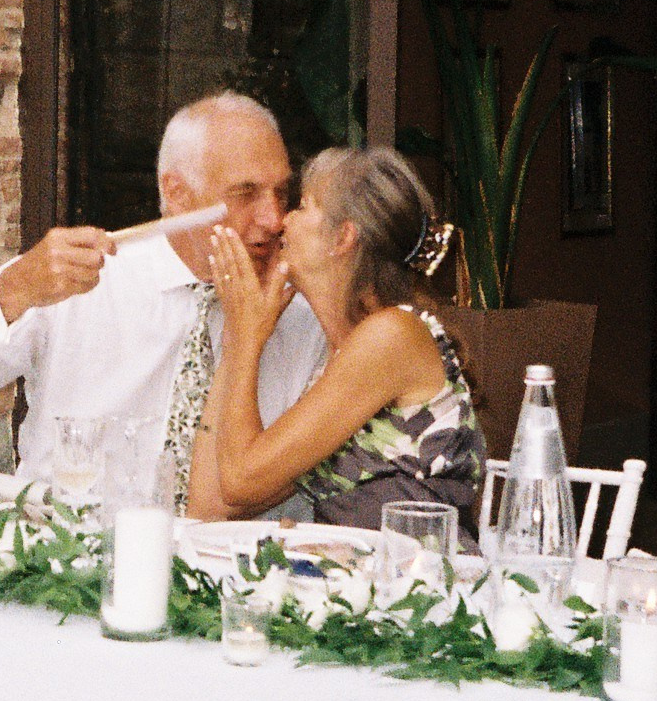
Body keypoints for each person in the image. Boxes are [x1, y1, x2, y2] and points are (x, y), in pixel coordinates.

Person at [0, 91, 326, 480]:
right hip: (69, 558)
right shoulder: (86, 281)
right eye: (244, 194)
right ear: (178, 193)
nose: (273, 219)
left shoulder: (304, 311)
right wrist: (14, 290)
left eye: (282, 194)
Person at [196, 146, 484, 526]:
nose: (282, 221)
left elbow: (239, 481)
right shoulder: (346, 353)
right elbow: (211, 504)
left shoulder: (390, 337)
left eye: (302, 205)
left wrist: (246, 339)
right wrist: (240, 339)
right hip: (361, 578)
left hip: (413, 579)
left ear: (342, 238)